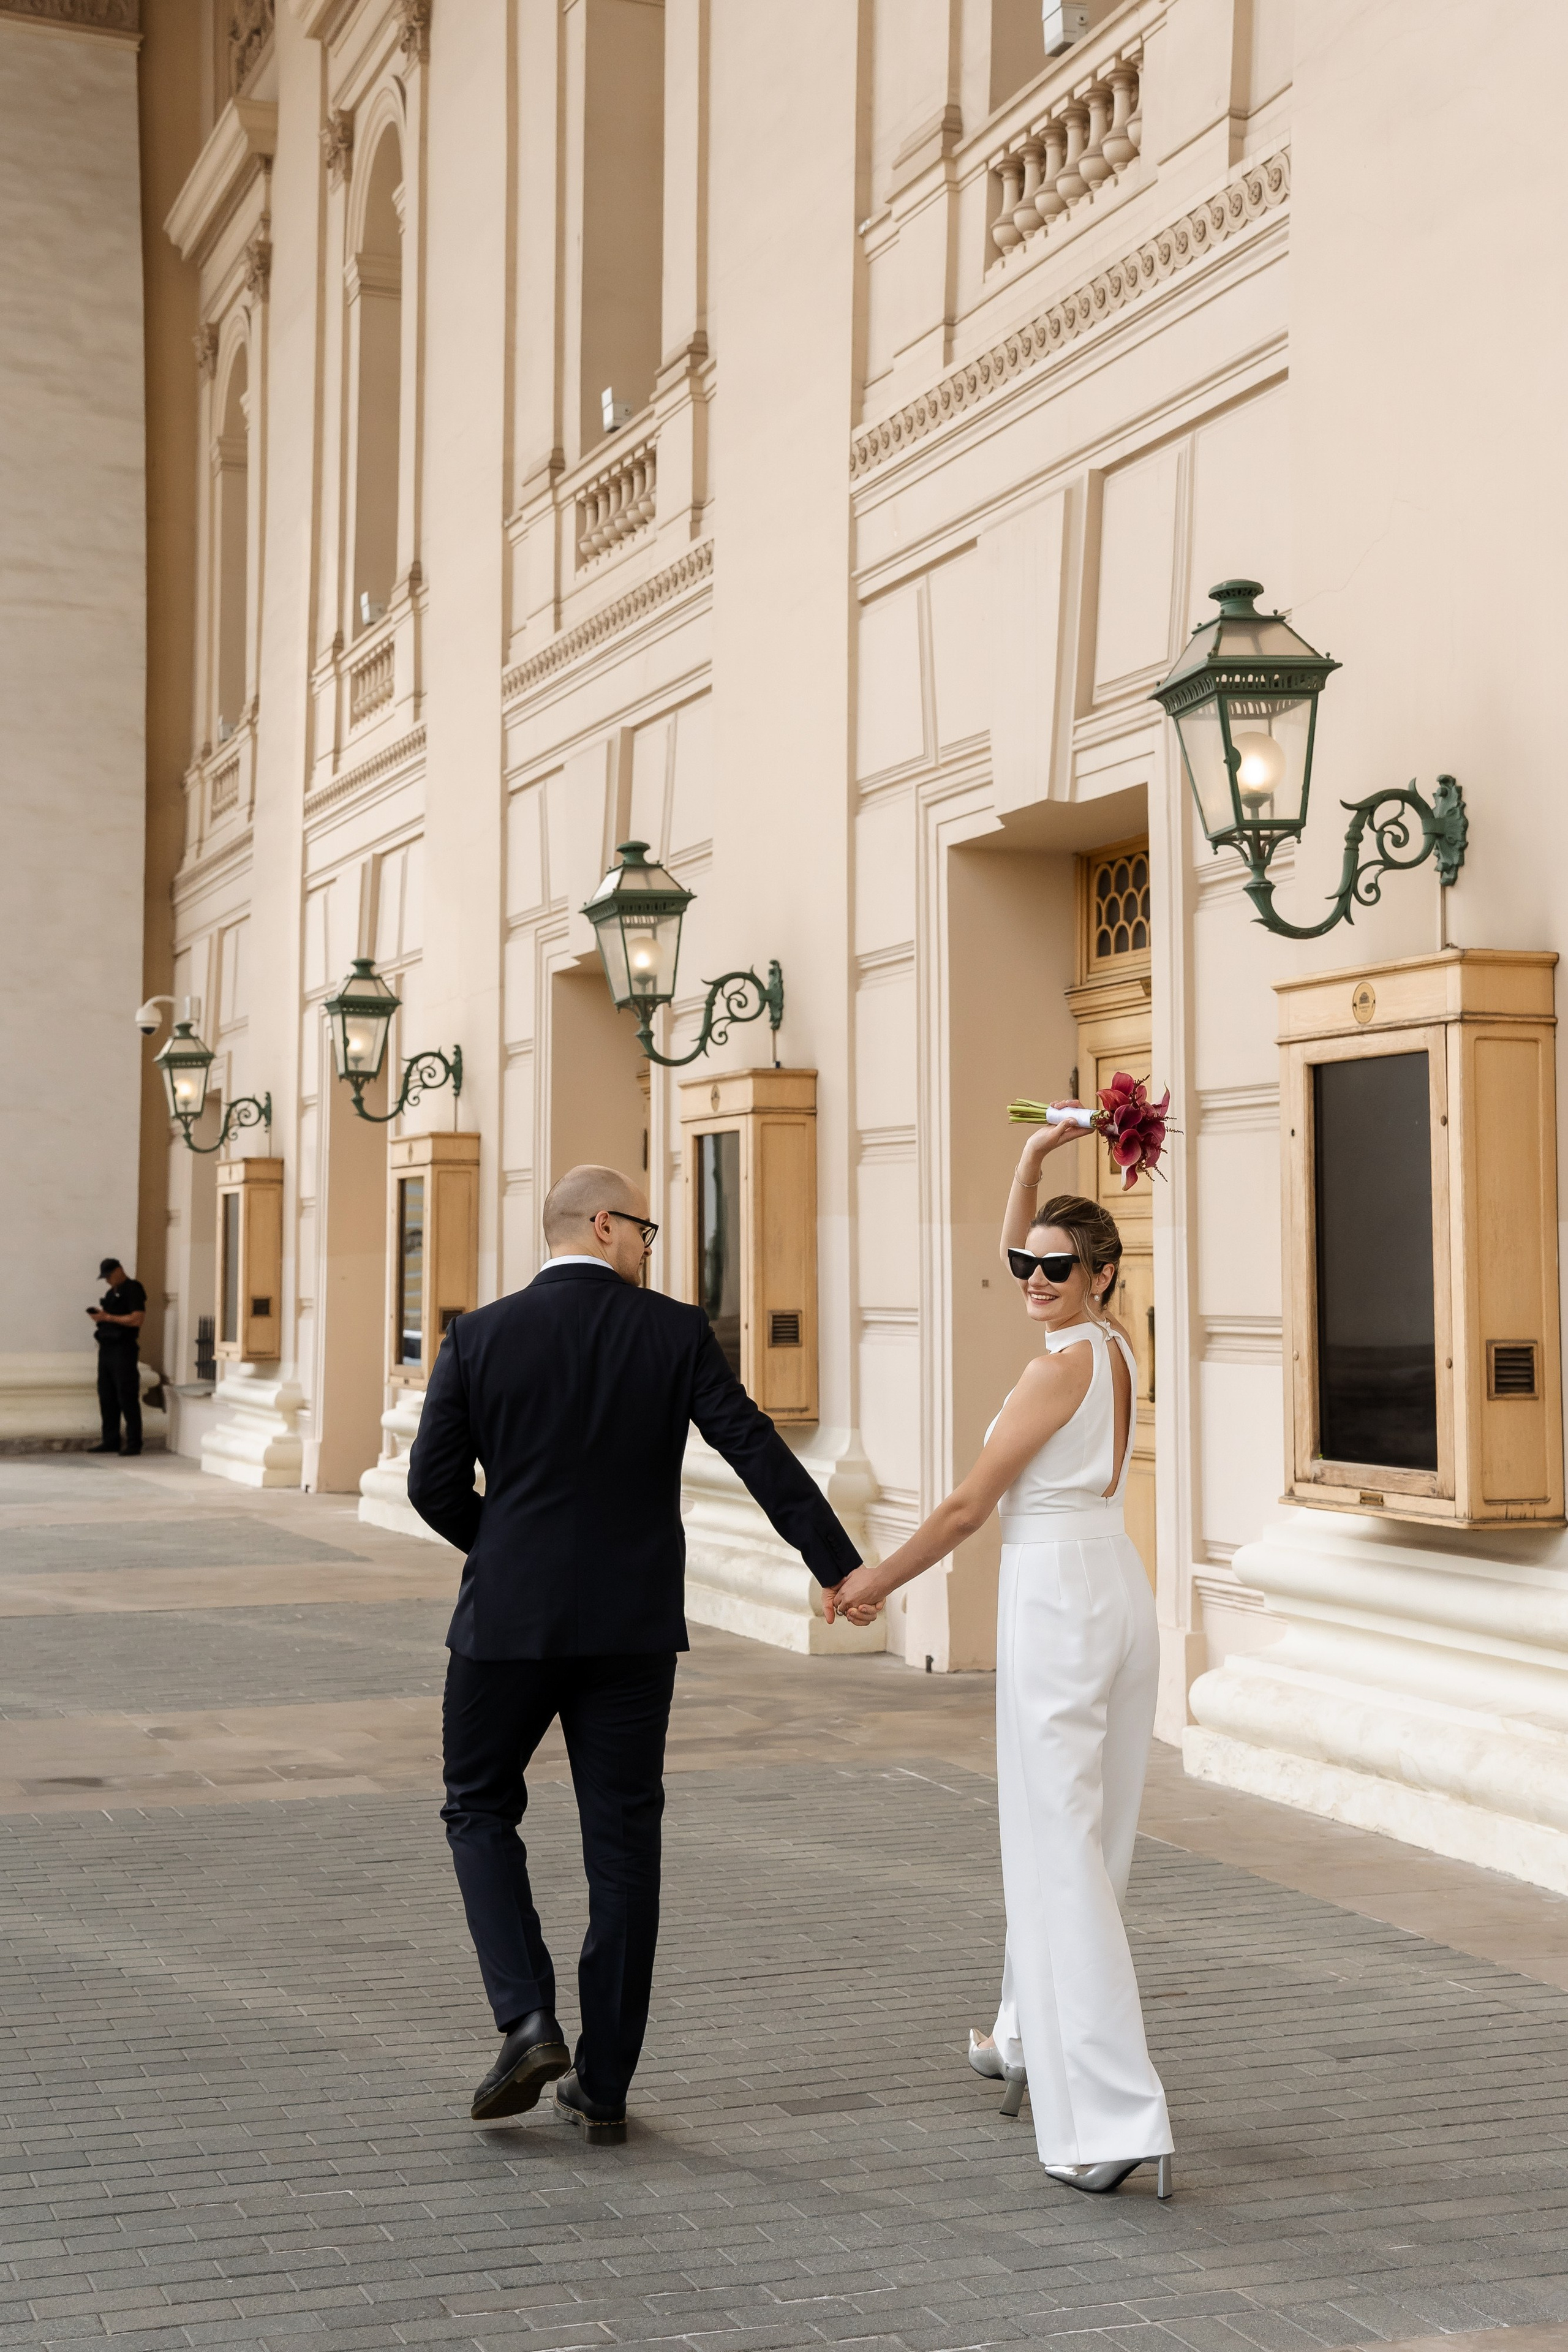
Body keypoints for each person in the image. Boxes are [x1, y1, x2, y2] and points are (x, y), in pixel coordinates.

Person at [407, 1162, 861, 2143]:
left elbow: (431, 1485)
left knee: (478, 1805)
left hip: (507, 1627)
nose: (652, 1251)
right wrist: (835, 1564)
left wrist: (506, 1549)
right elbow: (754, 1447)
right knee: (623, 1840)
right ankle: (603, 2084)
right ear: (605, 1225)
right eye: (647, 1232)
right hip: (632, 1628)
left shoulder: (479, 1336)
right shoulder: (671, 1332)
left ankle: (527, 2019)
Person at [826, 1106, 1174, 2200]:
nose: (1031, 1277)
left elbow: (973, 1506)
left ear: (1102, 1275)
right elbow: (1024, 1245)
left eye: (1055, 1270)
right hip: (1113, 1587)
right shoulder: (1111, 1345)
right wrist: (1032, 1149)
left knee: (1055, 1846)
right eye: (1027, 1263)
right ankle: (1027, 2036)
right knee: (1087, 1837)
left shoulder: (1055, 1370)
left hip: (1059, 1598)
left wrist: (877, 1579)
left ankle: (1117, 2119)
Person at [88, 1256, 147, 1457]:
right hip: (107, 1348)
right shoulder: (110, 1293)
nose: (108, 1280)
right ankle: (111, 1439)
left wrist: (108, 1317)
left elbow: (137, 1319)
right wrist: (101, 1318)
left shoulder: (133, 1289)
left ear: (120, 1270)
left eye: (110, 1276)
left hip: (124, 1348)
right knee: (107, 1394)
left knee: (127, 1394)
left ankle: (134, 1442)